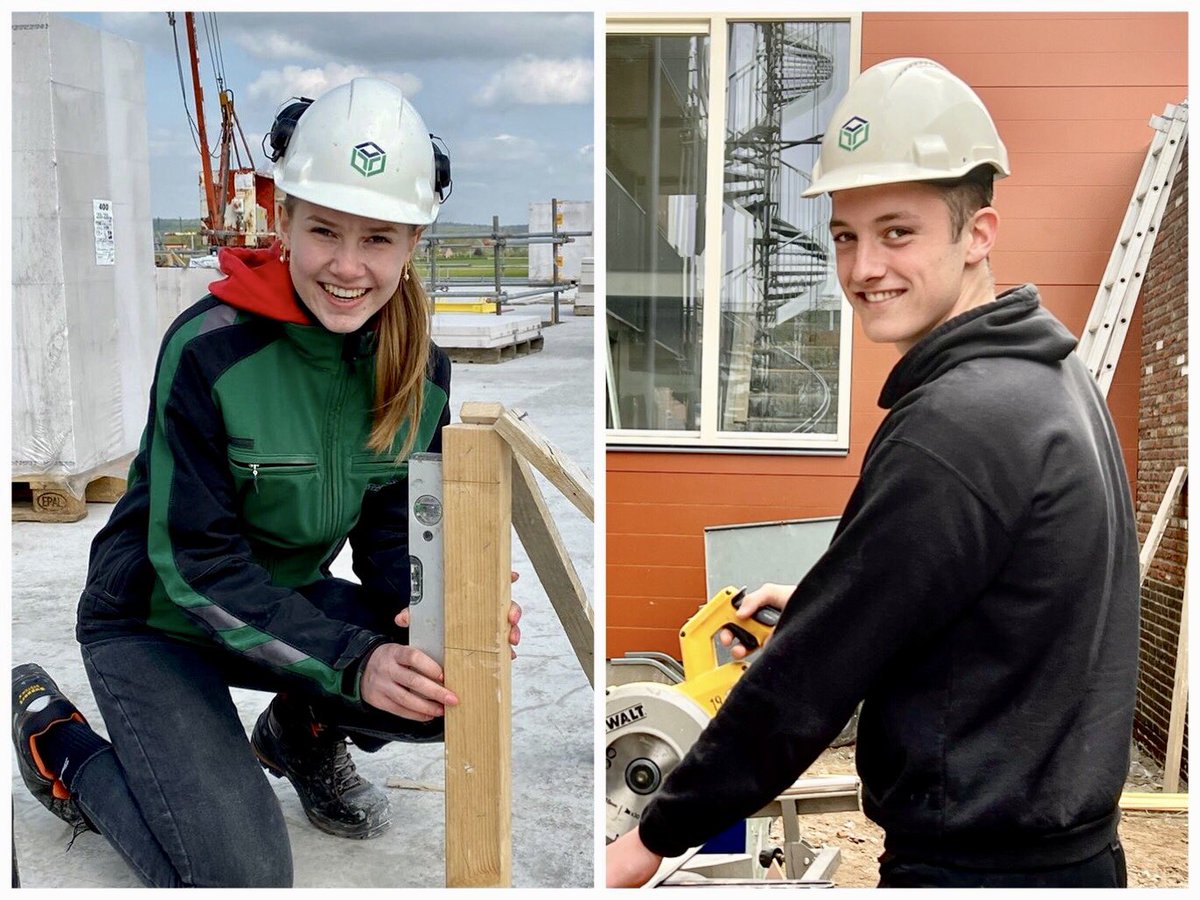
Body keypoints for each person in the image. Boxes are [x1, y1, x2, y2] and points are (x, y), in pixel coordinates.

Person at [607, 57, 1139, 889]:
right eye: (846, 237)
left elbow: (809, 680)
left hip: (976, 868)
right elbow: (970, 595)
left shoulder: (957, 426)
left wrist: (650, 839)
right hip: (1064, 853)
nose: (862, 270)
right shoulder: (1051, 378)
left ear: (978, 234)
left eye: (898, 232)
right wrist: (828, 598)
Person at [12, 78, 521, 888]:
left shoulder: (422, 371)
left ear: (414, 240)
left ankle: (297, 732)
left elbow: (393, 533)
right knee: (239, 878)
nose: (349, 266)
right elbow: (198, 568)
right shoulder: (209, 349)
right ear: (282, 218)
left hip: (279, 606)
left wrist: (440, 606)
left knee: (450, 680)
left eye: (379, 238)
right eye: (324, 231)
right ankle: (62, 748)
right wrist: (355, 661)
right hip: (156, 620)